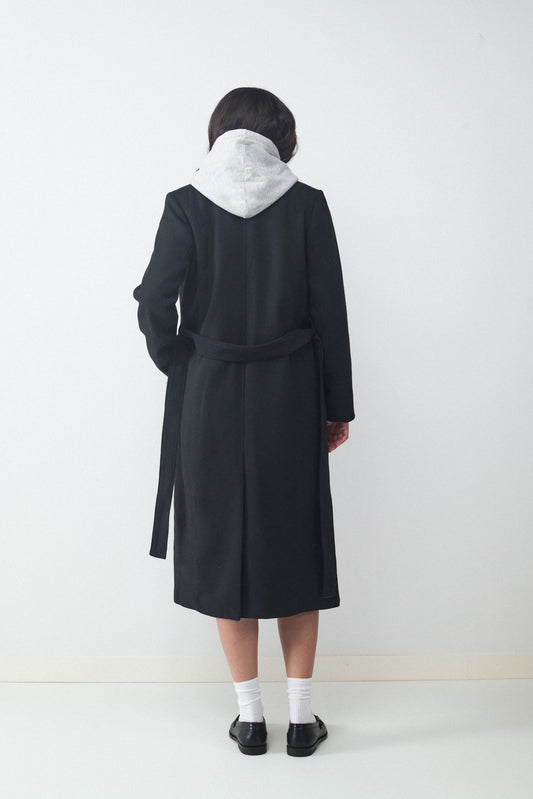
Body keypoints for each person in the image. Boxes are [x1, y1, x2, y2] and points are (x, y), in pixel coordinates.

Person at [132, 86, 355, 757]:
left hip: (212, 393)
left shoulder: (186, 202)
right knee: (295, 545)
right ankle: (302, 720)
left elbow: (153, 302)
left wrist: (185, 363)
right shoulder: (307, 204)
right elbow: (330, 312)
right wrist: (337, 405)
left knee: (224, 545)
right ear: (279, 138)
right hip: (291, 394)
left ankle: (250, 719)